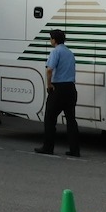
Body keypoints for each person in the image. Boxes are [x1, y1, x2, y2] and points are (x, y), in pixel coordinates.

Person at [35, 29, 80, 157]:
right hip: (71, 88)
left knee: (50, 118)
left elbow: (49, 70)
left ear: (54, 40)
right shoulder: (69, 53)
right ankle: (75, 149)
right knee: (71, 120)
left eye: (50, 38)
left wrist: (49, 85)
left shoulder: (56, 51)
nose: (50, 40)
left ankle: (48, 147)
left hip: (59, 88)